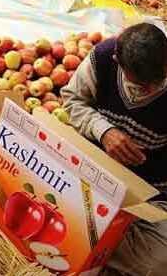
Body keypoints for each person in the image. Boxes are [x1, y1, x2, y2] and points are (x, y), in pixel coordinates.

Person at [62, 21, 167, 276]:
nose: (152, 90)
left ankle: (94, 245)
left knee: (160, 263)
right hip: (93, 178)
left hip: (152, 195)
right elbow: (72, 99)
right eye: (142, 85)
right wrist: (104, 131)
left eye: (159, 79)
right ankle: (102, 245)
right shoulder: (102, 58)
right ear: (118, 62)